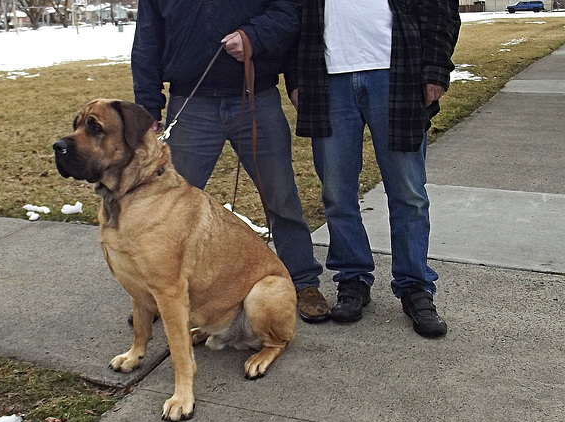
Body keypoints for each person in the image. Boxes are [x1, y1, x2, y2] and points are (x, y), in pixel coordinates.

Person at [131, 0, 329, 322]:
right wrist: (148, 105)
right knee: (166, 208)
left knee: (281, 198)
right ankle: (160, 293)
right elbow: (147, 40)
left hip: (256, 98)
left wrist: (253, 36)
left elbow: (289, 11)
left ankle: (301, 280)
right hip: (191, 103)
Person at [287, 0, 461, 337]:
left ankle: (415, 285)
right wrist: (296, 78)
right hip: (328, 78)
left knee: (408, 192)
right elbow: (297, 14)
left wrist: (436, 68)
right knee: (337, 194)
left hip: (398, 72)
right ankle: (353, 278)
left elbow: (441, 8)